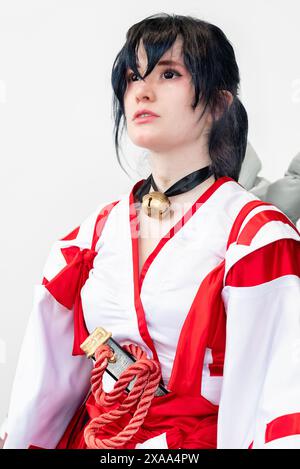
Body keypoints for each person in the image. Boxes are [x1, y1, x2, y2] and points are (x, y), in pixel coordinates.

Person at [2, 13, 300, 450]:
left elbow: (277, 397)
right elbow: (42, 388)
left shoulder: (256, 237)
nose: (142, 90)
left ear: (219, 103)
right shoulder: (91, 237)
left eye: (169, 73)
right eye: (132, 76)